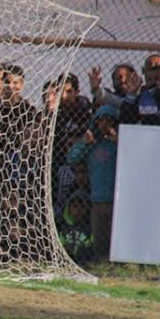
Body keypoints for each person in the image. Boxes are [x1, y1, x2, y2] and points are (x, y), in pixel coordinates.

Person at [67, 105, 119, 262]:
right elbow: (71, 158)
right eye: (100, 121)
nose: (104, 125)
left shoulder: (116, 145)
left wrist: (118, 141)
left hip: (116, 199)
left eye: (108, 121)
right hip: (97, 199)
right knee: (99, 236)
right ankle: (101, 262)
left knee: (114, 238)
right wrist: (85, 141)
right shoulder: (92, 146)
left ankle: (115, 263)